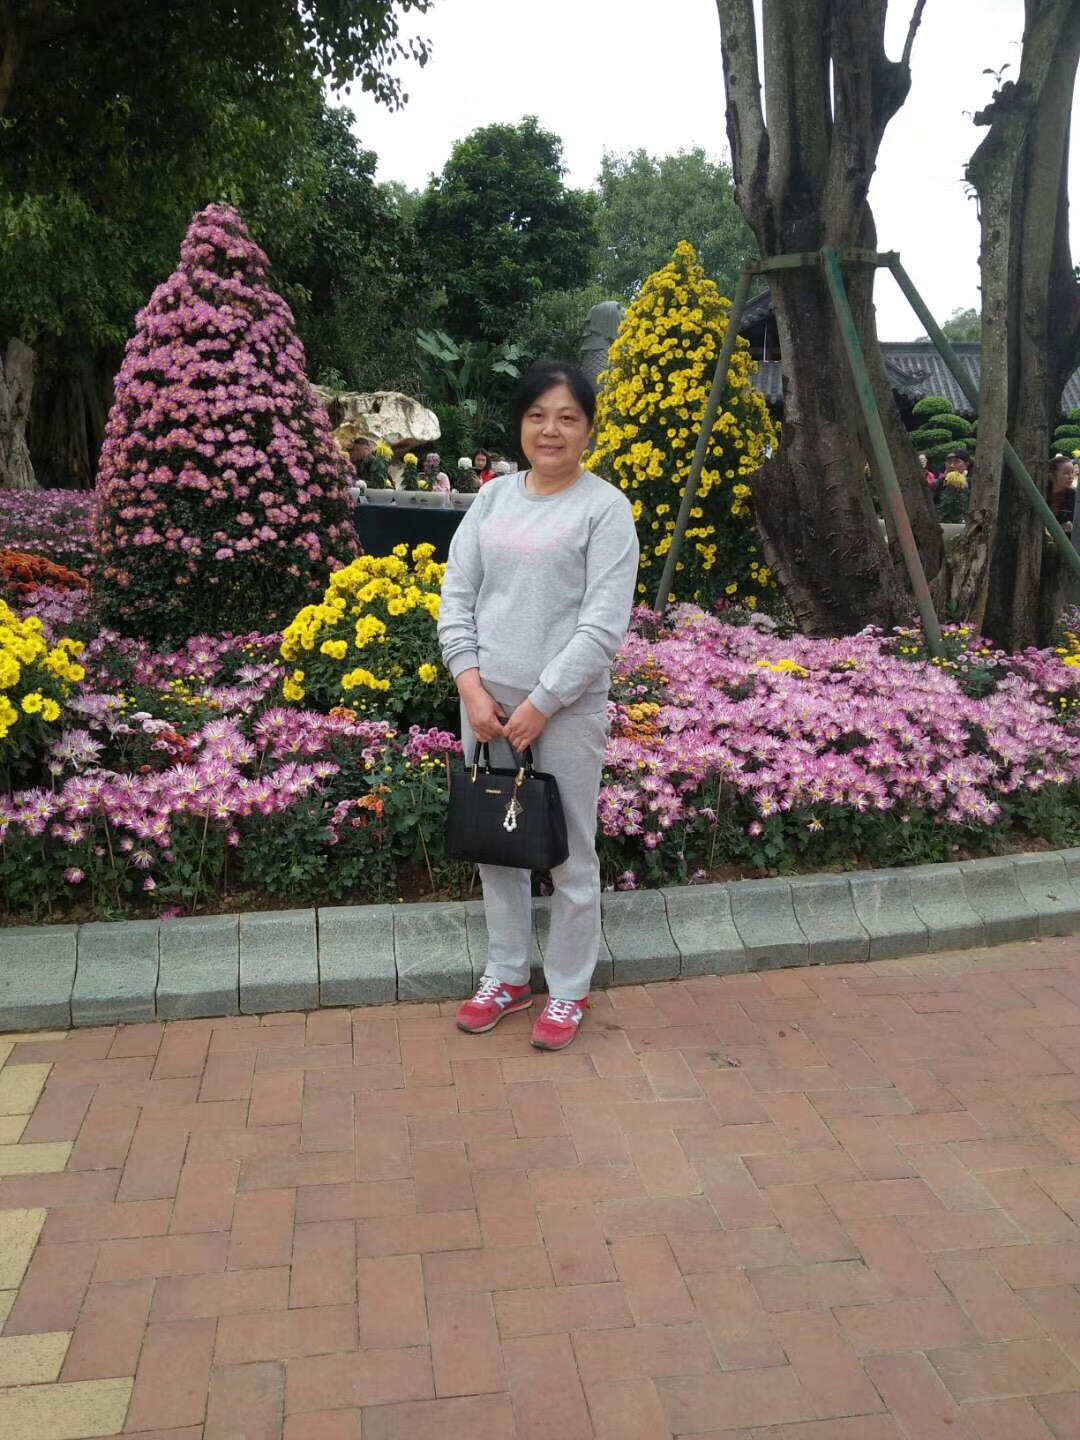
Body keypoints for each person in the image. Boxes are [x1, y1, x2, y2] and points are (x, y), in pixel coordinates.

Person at [438, 361, 639, 1051]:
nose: (551, 430)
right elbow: (457, 597)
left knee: (569, 853)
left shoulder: (604, 509)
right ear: (520, 424)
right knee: (496, 847)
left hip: (567, 712)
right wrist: (471, 687)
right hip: (486, 708)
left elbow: (602, 627)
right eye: (537, 416)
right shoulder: (492, 500)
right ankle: (507, 975)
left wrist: (543, 703)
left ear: (588, 429)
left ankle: (569, 987)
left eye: (567, 418)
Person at [1049, 453, 1078, 533]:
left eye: (1072, 472)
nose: (1071, 476)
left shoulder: (1075, 496)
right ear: (1051, 476)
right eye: (1066, 473)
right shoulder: (1043, 494)